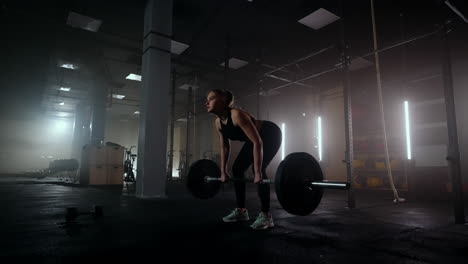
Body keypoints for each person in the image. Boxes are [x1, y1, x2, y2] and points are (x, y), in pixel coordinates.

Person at [205, 89, 282, 230]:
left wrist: (257, 172)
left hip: (270, 133)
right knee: (237, 169)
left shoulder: (236, 115)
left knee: (258, 168)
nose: (207, 102)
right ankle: (241, 211)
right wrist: (223, 171)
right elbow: (225, 147)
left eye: (211, 98)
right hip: (255, 139)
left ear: (223, 100)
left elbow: (258, 142)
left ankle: (266, 216)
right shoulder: (218, 123)